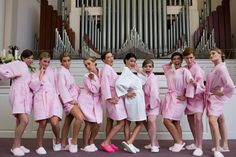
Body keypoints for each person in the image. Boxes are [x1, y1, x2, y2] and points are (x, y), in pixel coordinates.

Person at [0, 49, 34, 156]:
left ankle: (18, 145)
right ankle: (14, 146)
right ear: (23, 58)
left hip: (24, 96)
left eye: (32, 58)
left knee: (19, 121)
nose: (30, 60)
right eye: (28, 58)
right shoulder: (18, 63)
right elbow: (1, 68)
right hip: (18, 94)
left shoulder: (26, 68)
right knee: (24, 120)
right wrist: (10, 75)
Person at [29, 52, 63, 155]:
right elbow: (33, 87)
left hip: (53, 98)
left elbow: (59, 85)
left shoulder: (54, 71)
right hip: (40, 98)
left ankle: (57, 139)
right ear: (39, 60)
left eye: (48, 61)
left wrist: (61, 98)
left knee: (54, 122)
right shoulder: (34, 73)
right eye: (44, 61)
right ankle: (39, 146)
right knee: (42, 123)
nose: (46, 64)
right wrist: (40, 75)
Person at [162, 52, 194, 152]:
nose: (176, 61)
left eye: (178, 59)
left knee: (167, 121)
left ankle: (178, 142)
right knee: (175, 122)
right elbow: (165, 66)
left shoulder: (185, 71)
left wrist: (186, 96)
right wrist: (170, 62)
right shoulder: (169, 71)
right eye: (174, 59)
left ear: (181, 60)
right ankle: (180, 142)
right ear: (171, 60)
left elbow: (191, 82)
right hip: (170, 98)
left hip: (179, 99)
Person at [205, 48, 235, 157]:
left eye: (213, 53)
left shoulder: (221, 68)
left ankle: (217, 149)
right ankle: (225, 146)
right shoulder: (217, 67)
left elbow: (230, 86)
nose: (211, 55)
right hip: (213, 97)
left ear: (220, 54)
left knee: (212, 120)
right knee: (221, 120)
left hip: (215, 99)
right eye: (210, 54)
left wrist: (222, 93)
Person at [115, 52, 147, 154]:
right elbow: (118, 84)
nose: (133, 63)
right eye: (131, 61)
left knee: (128, 122)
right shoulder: (126, 72)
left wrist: (138, 70)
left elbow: (143, 80)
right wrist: (126, 93)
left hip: (134, 100)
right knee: (140, 122)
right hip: (135, 100)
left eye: (134, 61)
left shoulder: (131, 72)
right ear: (126, 61)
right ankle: (129, 142)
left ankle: (129, 144)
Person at [100, 51, 127, 153]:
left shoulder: (109, 69)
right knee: (121, 122)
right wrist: (109, 98)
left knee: (110, 121)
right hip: (113, 99)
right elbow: (105, 84)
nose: (111, 59)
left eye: (112, 57)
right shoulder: (106, 69)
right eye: (108, 57)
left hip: (113, 98)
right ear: (104, 60)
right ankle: (106, 142)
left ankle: (109, 142)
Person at [57, 52, 84, 153]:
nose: (67, 63)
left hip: (73, 99)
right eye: (64, 61)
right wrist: (69, 100)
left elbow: (72, 86)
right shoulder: (61, 72)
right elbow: (62, 88)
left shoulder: (67, 72)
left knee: (68, 121)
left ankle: (63, 144)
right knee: (80, 118)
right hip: (68, 101)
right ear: (61, 62)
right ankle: (74, 141)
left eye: (68, 60)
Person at [183, 48, 205, 156]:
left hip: (198, 98)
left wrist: (195, 83)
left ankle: (200, 146)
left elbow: (202, 87)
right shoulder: (184, 69)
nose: (189, 60)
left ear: (194, 57)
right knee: (190, 120)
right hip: (188, 98)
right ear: (184, 59)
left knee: (198, 119)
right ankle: (196, 142)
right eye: (187, 58)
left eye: (191, 57)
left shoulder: (198, 69)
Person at [79, 56, 102, 152]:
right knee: (89, 123)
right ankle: (85, 145)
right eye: (85, 65)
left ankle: (91, 141)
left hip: (96, 101)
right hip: (86, 100)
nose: (87, 66)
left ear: (94, 63)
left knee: (98, 123)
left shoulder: (101, 72)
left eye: (89, 63)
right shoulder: (86, 76)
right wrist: (94, 80)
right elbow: (94, 90)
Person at [142, 59, 161, 153]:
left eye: (150, 66)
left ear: (153, 68)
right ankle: (155, 142)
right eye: (146, 66)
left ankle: (154, 145)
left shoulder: (153, 78)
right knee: (144, 121)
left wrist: (151, 105)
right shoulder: (143, 77)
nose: (148, 68)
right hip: (145, 104)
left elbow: (154, 93)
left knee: (151, 121)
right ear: (143, 68)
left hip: (153, 104)